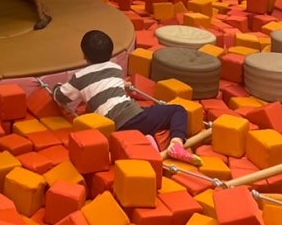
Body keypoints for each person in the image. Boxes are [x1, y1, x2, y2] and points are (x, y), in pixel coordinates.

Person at [48, 29, 201, 165]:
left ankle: (145, 140)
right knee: (177, 110)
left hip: (110, 127)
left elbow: (61, 96)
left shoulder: (79, 77)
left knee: (140, 114)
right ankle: (176, 143)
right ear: (110, 53)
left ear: (84, 55)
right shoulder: (116, 68)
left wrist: (55, 88)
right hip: (132, 117)